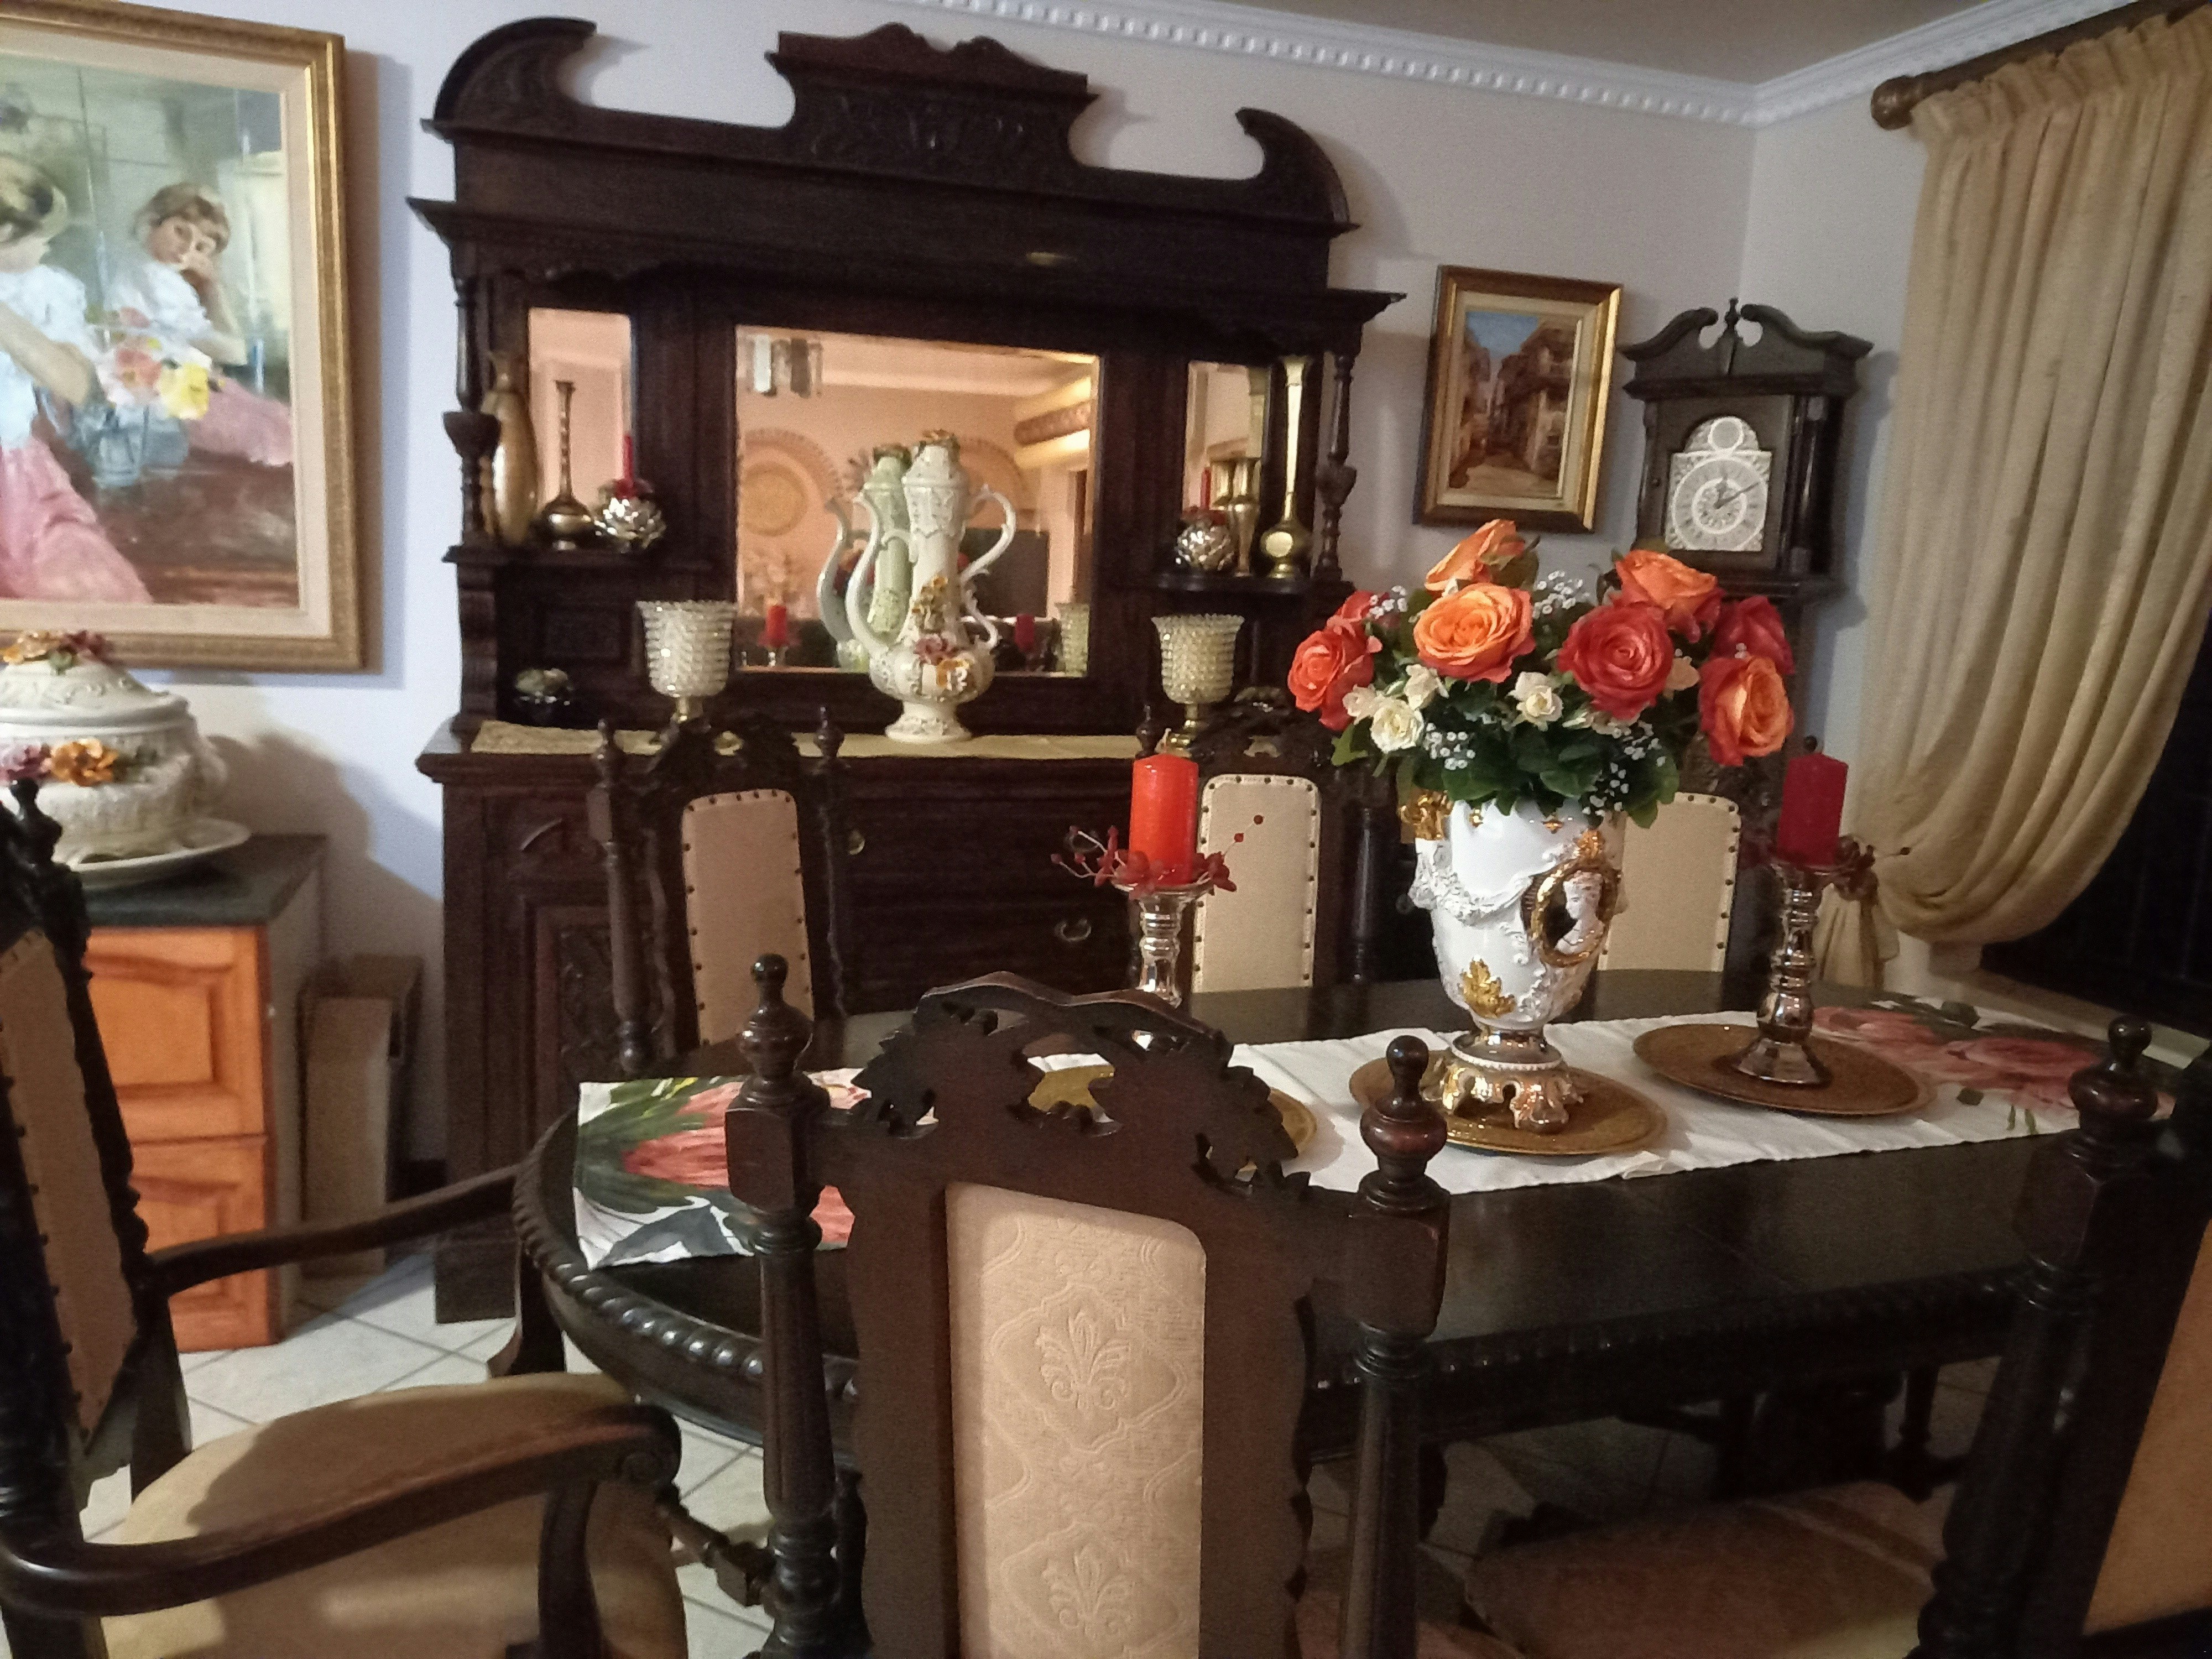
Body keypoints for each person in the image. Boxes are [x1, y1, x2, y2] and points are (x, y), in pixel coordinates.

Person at [0, 157, 150, 603]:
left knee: (76, 583)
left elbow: (78, 385)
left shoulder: (40, 290)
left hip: (13, 478)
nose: (47, 247)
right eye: (38, 236)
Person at [105, 182, 290, 467]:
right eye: (181, 232)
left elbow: (231, 349)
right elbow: (234, 351)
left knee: (278, 420)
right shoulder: (151, 276)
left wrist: (213, 285)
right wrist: (214, 294)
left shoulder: (165, 278)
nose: (186, 250)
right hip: (163, 392)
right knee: (272, 432)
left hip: (180, 382)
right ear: (154, 221)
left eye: (201, 248)